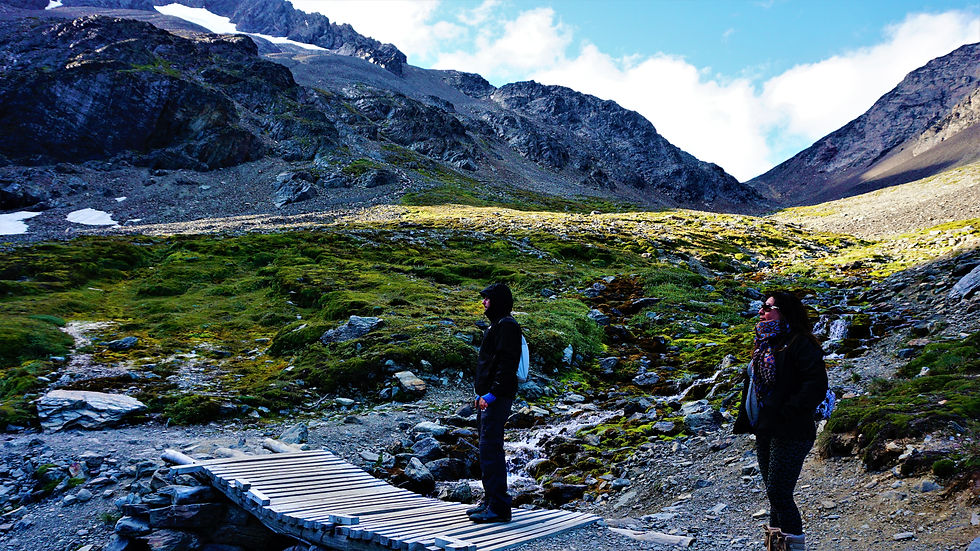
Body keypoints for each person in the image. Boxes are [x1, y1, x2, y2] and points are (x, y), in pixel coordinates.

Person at [733, 291, 828, 551]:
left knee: (779, 494)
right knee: (774, 495)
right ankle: (776, 546)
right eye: (762, 307)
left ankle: (794, 546)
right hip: (766, 429)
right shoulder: (766, 342)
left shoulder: (801, 343)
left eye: (768, 307)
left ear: (785, 312)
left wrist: (786, 412)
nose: (761, 311)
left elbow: (816, 386)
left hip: (792, 429)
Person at [466, 282, 522, 523]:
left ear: (497, 301)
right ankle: (490, 500)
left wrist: (492, 394)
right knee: (486, 448)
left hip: (496, 398)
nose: (483, 302)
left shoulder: (507, 326)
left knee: (491, 449)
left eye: (487, 298)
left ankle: (499, 507)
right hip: (487, 397)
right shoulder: (497, 325)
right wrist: (480, 394)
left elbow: (507, 365)